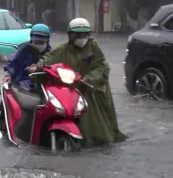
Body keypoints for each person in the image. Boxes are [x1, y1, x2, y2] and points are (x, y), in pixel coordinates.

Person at [29, 17, 127, 147]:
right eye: (78, 34)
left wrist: (89, 77)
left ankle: (94, 142)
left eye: (84, 34)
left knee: (95, 122)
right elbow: (48, 59)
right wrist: (37, 66)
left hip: (91, 88)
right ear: (70, 35)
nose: (81, 37)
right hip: (71, 87)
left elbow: (103, 66)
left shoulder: (93, 47)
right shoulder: (62, 49)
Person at [0, 23, 51, 130]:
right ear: (31, 39)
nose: (39, 44)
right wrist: (9, 74)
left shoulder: (51, 53)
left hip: (41, 83)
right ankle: (2, 122)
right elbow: (12, 62)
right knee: (10, 93)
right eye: (36, 42)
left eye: (41, 42)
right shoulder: (23, 48)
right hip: (22, 79)